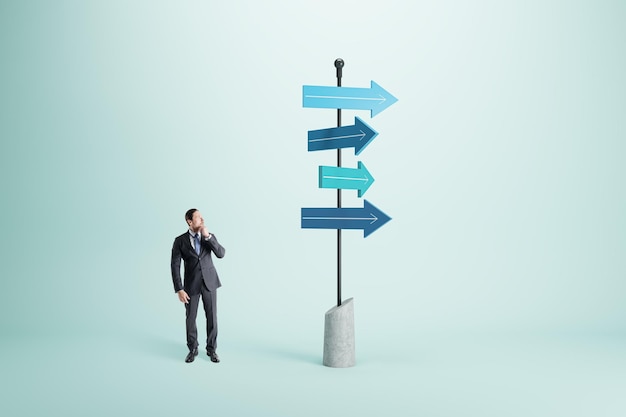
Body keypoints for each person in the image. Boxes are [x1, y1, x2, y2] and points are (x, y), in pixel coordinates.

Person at [171, 208, 226, 363]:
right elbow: (175, 266)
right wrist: (179, 289)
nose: (202, 219)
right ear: (189, 221)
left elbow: (221, 253)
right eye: (198, 217)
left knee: (212, 318)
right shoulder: (180, 241)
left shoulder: (208, 236)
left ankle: (212, 350)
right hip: (191, 285)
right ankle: (193, 348)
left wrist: (207, 237)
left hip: (210, 282)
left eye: (202, 217)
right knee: (190, 318)